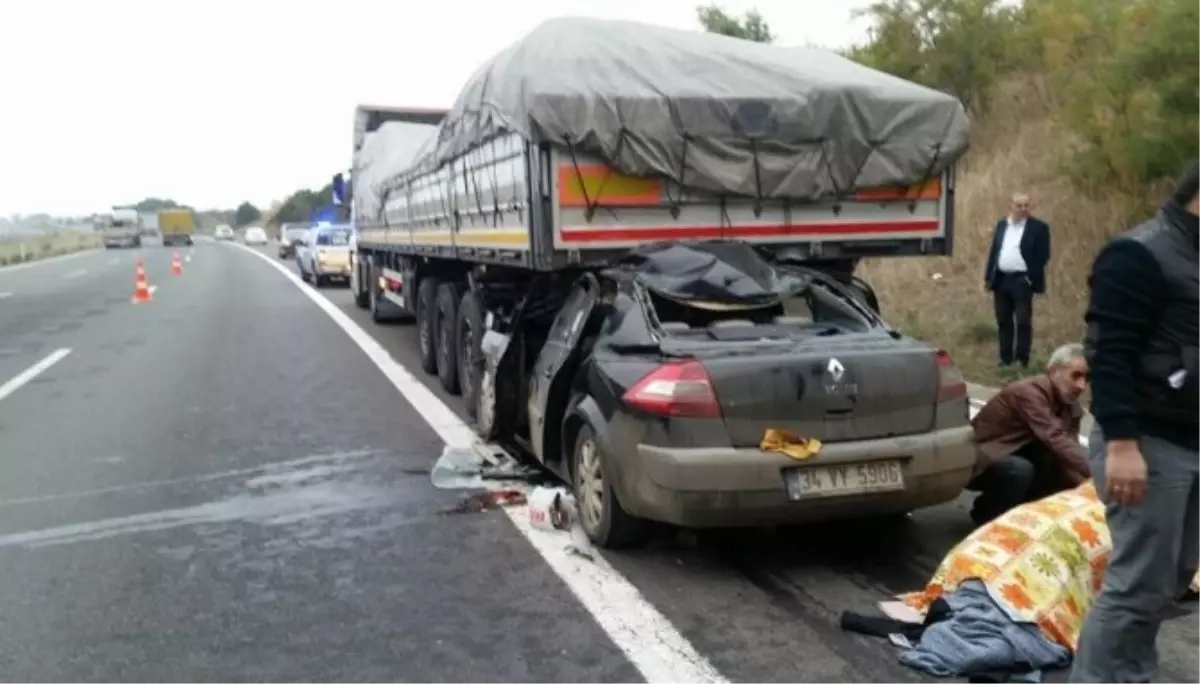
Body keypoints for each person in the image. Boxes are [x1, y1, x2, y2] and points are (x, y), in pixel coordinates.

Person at [1069, 161, 1200, 683]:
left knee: (1170, 581)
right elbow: (1111, 353)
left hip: (1192, 441)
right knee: (1136, 585)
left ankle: (1131, 674)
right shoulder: (1139, 253)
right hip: (1147, 441)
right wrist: (1123, 443)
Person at [967, 343, 1091, 525]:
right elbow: (1055, 437)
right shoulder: (1028, 393)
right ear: (1054, 371)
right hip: (980, 462)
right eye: (1076, 376)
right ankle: (986, 517)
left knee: (1060, 473)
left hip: (1018, 458)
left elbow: (1069, 458)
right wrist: (1098, 473)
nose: (1082, 386)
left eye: (1087, 379)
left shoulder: (1071, 409)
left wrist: (1090, 490)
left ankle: (1024, 517)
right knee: (1019, 470)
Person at [983, 193, 1051, 368]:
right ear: (1011, 206)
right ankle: (1005, 358)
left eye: (1026, 206)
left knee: (1023, 320)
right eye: (1019, 206)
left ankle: (1022, 359)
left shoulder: (1038, 227)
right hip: (1002, 278)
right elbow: (994, 251)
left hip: (1022, 280)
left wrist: (1030, 277)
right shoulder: (1002, 225)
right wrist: (988, 276)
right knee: (1003, 320)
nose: (1023, 209)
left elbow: (1043, 255)